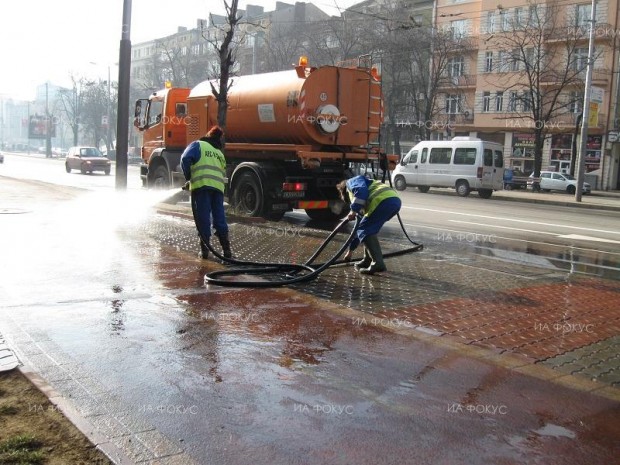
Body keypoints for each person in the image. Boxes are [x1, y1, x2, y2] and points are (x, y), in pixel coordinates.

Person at [180, 125, 232, 260]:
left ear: (208, 135)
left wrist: (189, 177)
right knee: (219, 217)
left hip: (202, 186)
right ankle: (227, 251)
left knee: (203, 217)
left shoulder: (198, 145)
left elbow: (185, 159)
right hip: (218, 188)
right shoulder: (219, 153)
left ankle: (204, 251)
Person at [337, 175, 401, 275]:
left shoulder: (351, 182)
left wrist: (353, 210)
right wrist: (351, 250)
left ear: (344, 191)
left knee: (367, 229)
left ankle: (377, 263)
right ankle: (367, 260)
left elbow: (361, 192)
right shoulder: (364, 192)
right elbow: (359, 229)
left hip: (382, 201)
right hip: (393, 201)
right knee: (367, 230)